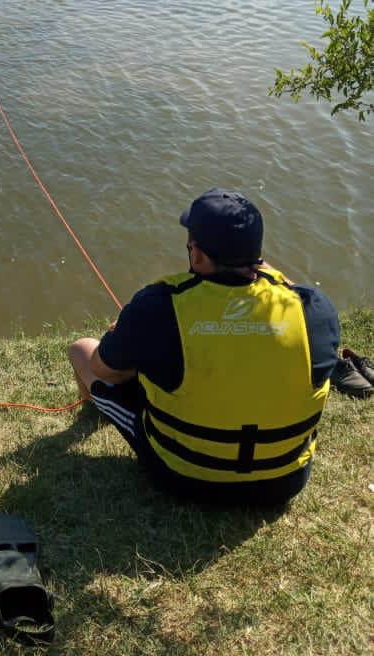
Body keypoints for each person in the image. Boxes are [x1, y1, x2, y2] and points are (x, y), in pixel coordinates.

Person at [68, 188, 339, 505]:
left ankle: (91, 410)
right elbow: (291, 290)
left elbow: (104, 368)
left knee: (81, 350)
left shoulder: (158, 306)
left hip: (183, 477)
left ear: (196, 255)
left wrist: (129, 336)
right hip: (284, 480)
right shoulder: (315, 310)